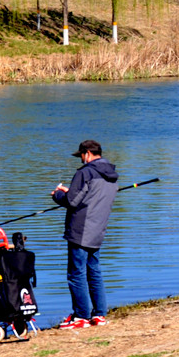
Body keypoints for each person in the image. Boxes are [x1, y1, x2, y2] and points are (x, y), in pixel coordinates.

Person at [52, 140, 119, 329]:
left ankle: (80, 316)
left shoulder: (85, 172)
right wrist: (70, 191)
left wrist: (57, 195)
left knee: (76, 273)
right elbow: (87, 196)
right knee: (94, 271)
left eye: (81, 156)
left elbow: (72, 202)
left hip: (80, 230)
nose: (81, 159)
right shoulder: (112, 175)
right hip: (98, 230)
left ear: (88, 153)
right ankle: (99, 315)